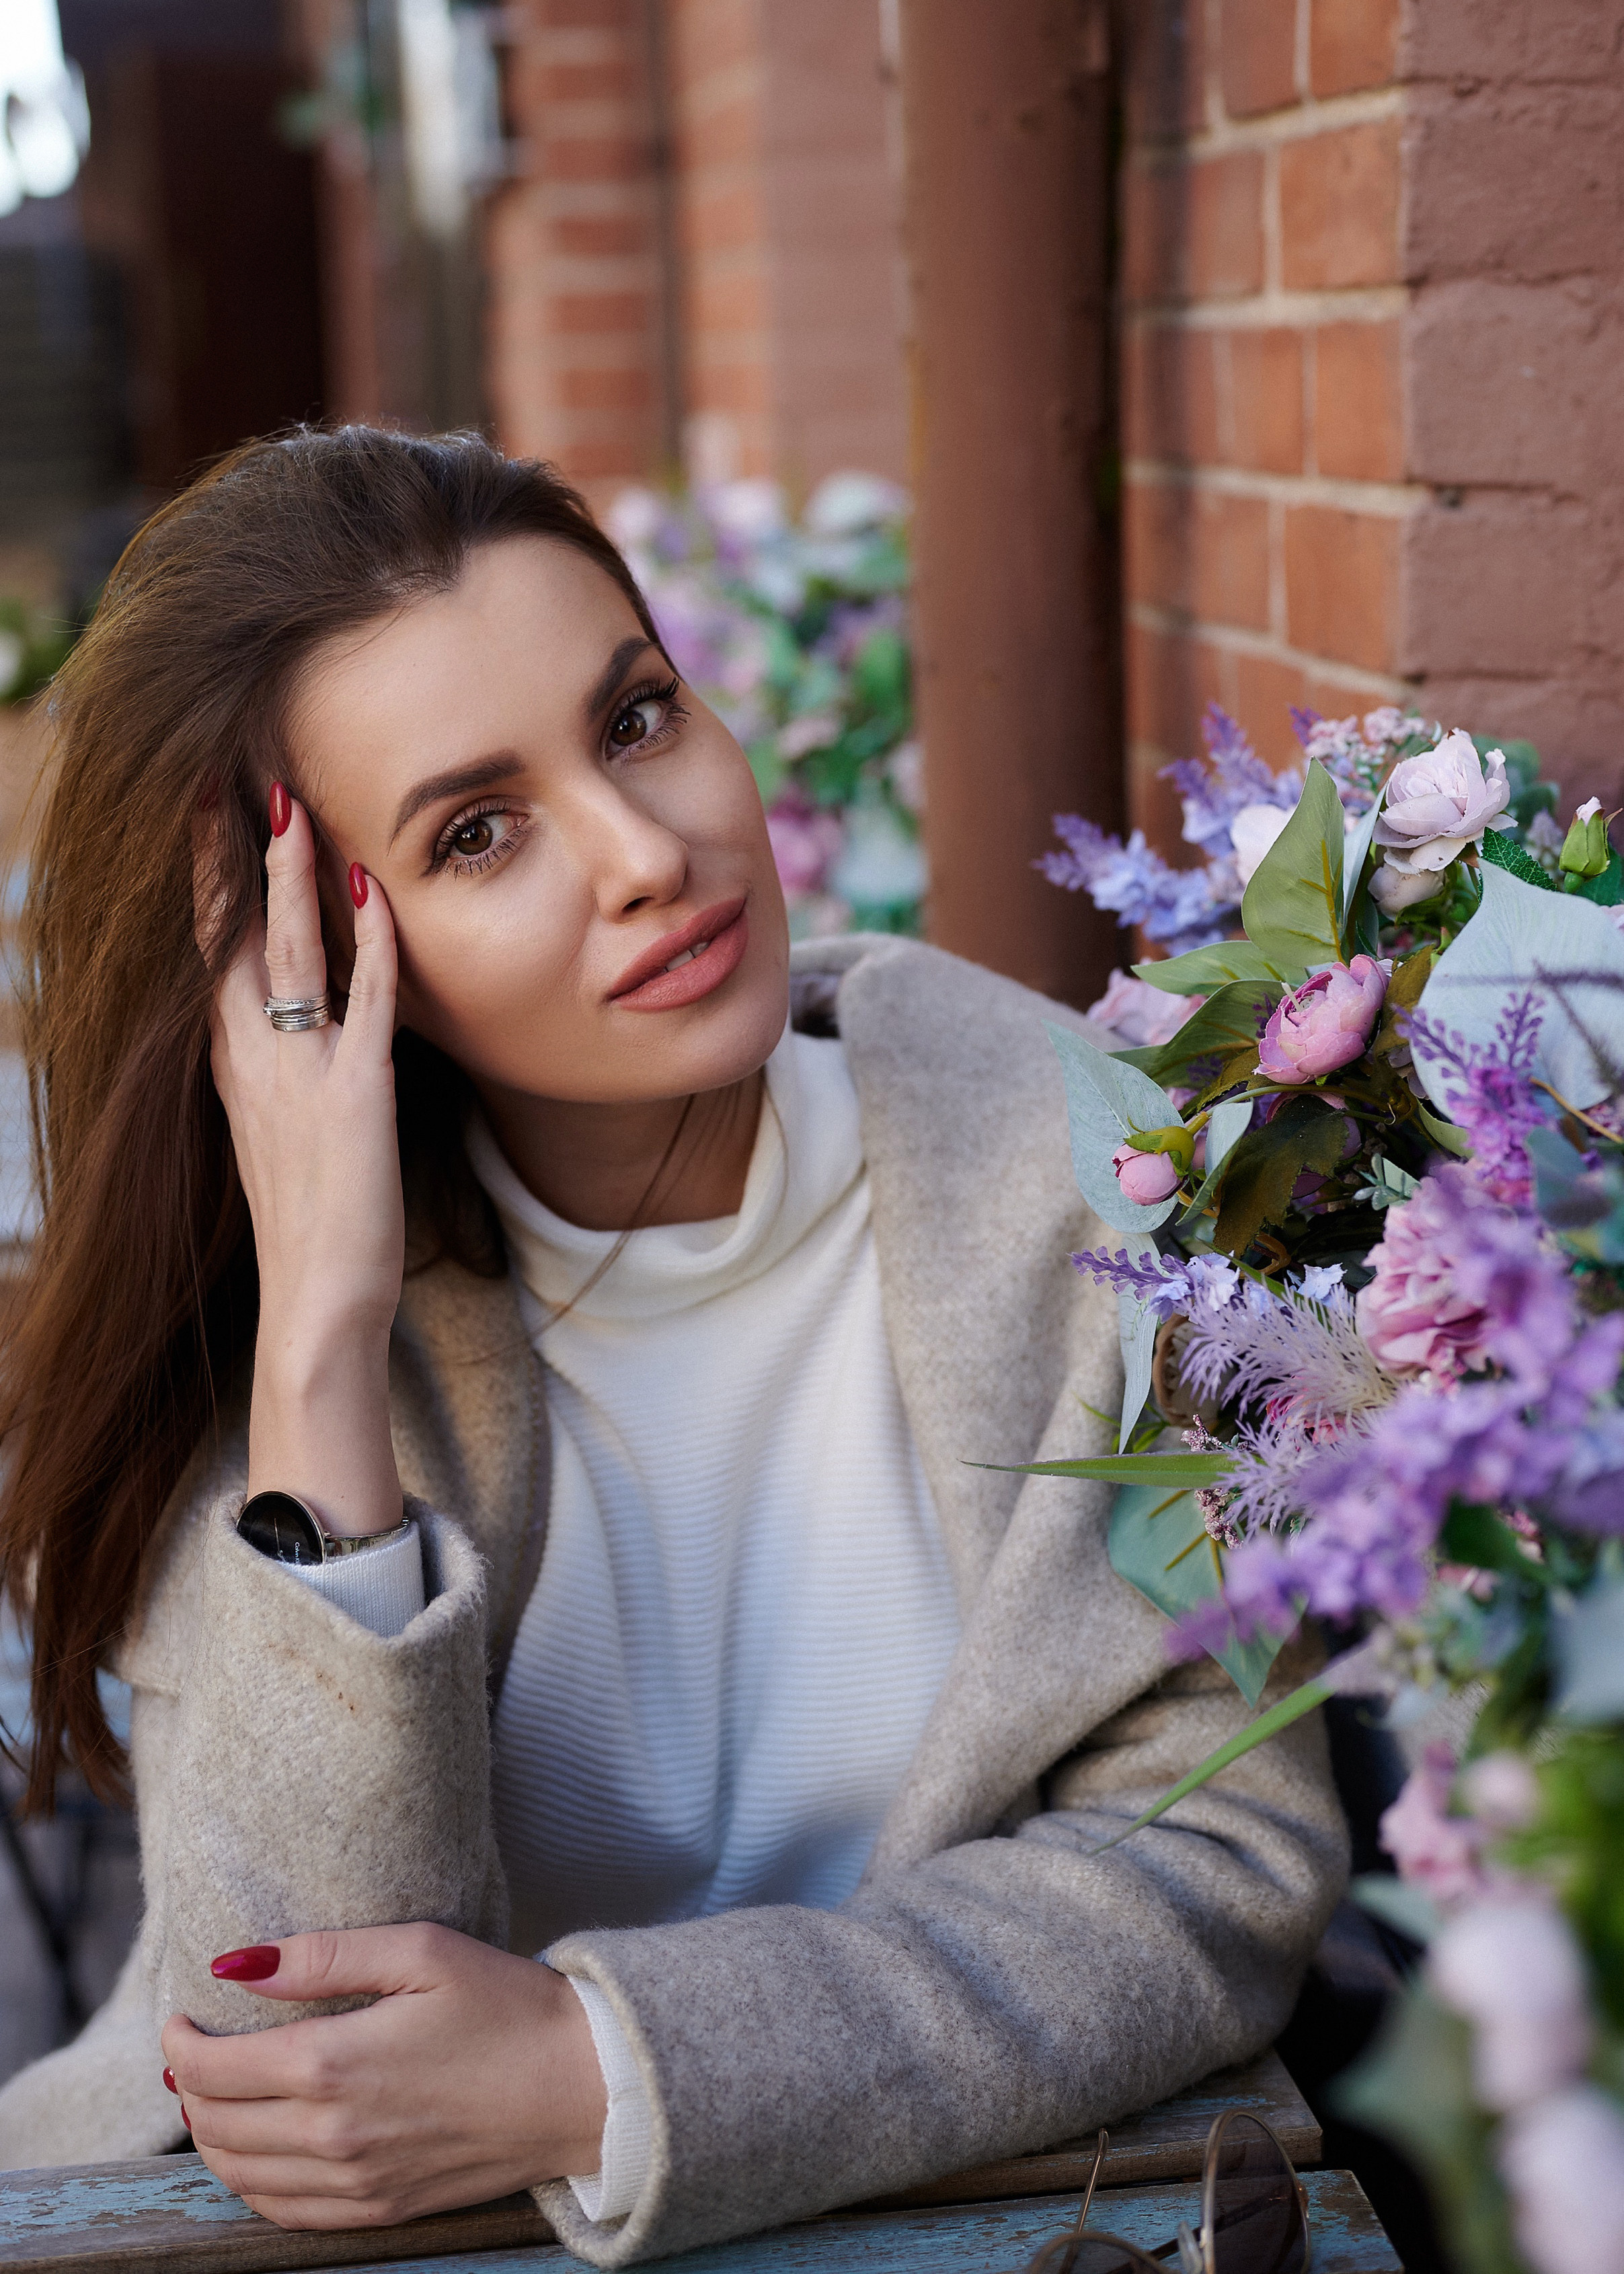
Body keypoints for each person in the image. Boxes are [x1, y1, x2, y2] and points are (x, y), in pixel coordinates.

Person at [0, 429, 1345, 2266]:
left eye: (636, 718)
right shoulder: (281, 1324)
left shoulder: (1088, 1178)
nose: (649, 853)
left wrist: (602, 2068)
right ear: (298, 952)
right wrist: (323, 1331)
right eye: (478, 831)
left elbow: (1222, 1872)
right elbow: (299, 2084)